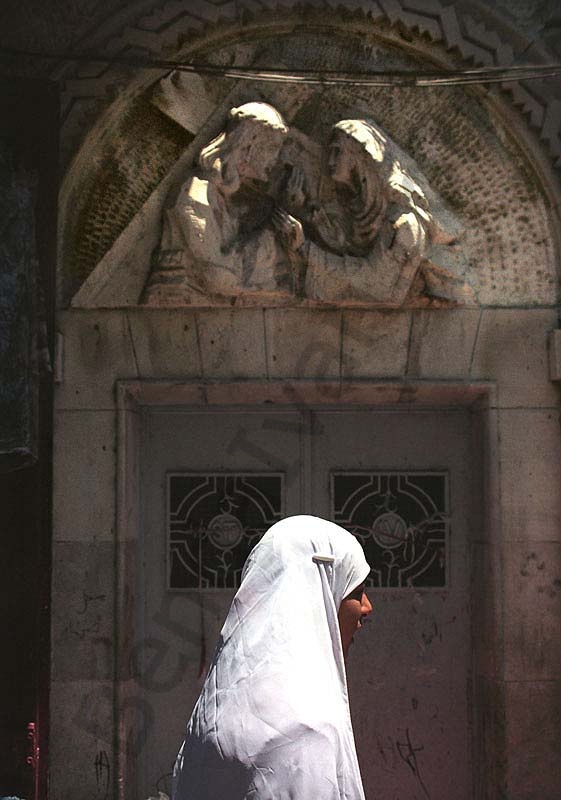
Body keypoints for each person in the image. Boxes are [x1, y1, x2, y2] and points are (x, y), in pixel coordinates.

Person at [171, 514, 372, 800]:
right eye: (358, 591)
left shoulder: (210, 718)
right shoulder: (306, 731)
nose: (367, 607)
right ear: (317, 593)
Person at [143, 102, 295, 305]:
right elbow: (217, 278)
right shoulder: (195, 193)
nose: (276, 159)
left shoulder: (221, 199)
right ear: (248, 145)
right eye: (272, 147)